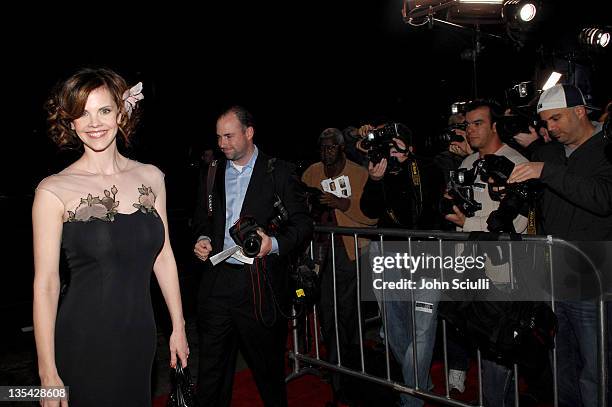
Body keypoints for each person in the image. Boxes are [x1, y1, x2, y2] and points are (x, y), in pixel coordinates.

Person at [32, 67, 189, 407]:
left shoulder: (152, 177)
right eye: (82, 113)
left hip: (140, 335)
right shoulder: (54, 190)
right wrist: (47, 374)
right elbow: (45, 283)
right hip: (84, 339)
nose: (94, 123)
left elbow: (164, 257)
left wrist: (178, 325)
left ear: (120, 113)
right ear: (70, 122)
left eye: (103, 110)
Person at [192, 106, 313, 407]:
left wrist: (272, 243)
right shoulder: (212, 172)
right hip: (218, 281)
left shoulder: (279, 172)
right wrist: (203, 238)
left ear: (249, 133)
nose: (222, 144)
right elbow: (202, 219)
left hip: (260, 285)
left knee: (268, 371)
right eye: (219, 137)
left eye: (229, 136)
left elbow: (303, 225)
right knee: (211, 371)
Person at [508, 84, 612, 407]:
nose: (548, 128)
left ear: (580, 112)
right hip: (553, 275)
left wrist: (546, 172)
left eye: (556, 119)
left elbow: (603, 198)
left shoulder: (607, 148)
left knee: (595, 367)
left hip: (593, 274)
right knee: (559, 362)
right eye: (545, 121)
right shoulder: (548, 151)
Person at [445, 99, 528, 407]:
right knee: (484, 350)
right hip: (470, 268)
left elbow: (517, 221)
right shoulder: (468, 164)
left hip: (501, 272)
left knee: (496, 353)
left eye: (477, 123)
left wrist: (469, 221)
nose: (470, 129)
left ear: (495, 126)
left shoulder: (516, 163)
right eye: (467, 124)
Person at [359, 123, 444, 407]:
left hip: (427, 253)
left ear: (410, 148)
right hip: (388, 252)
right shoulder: (379, 170)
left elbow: (422, 207)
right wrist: (375, 180)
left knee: (423, 325)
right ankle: (419, 381)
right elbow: (369, 210)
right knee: (395, 326)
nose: (391, 153)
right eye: (388, 148)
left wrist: (406, 165)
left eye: (397, 147)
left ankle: (412, 397)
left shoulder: (428, 168)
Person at [301, 128, 377, 404]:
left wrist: (342, 203)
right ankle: (337, 371)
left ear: (342, 149)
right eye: (322, 148)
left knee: (348, 313)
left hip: (349, 251)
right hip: (319, 252)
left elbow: (371, 217)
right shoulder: (312, 172)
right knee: (328, 312)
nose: (326, 153)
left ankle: (352, 369)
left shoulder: (359, 173)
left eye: (331, 148)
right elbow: (300, 206)